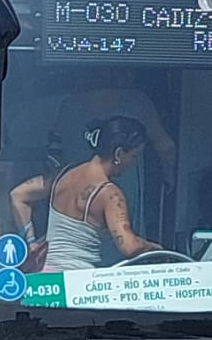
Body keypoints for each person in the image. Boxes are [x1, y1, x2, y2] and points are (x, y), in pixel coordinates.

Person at [9, 116, 160, 270]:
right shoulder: (110, 195)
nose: (133, 163)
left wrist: (30, 242)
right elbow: (129, 246)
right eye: (134, 156)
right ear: (119, 154)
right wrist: (158, 249)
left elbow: (18, 195)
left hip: (47, 278)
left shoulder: (62, 175)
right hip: (79, 283)